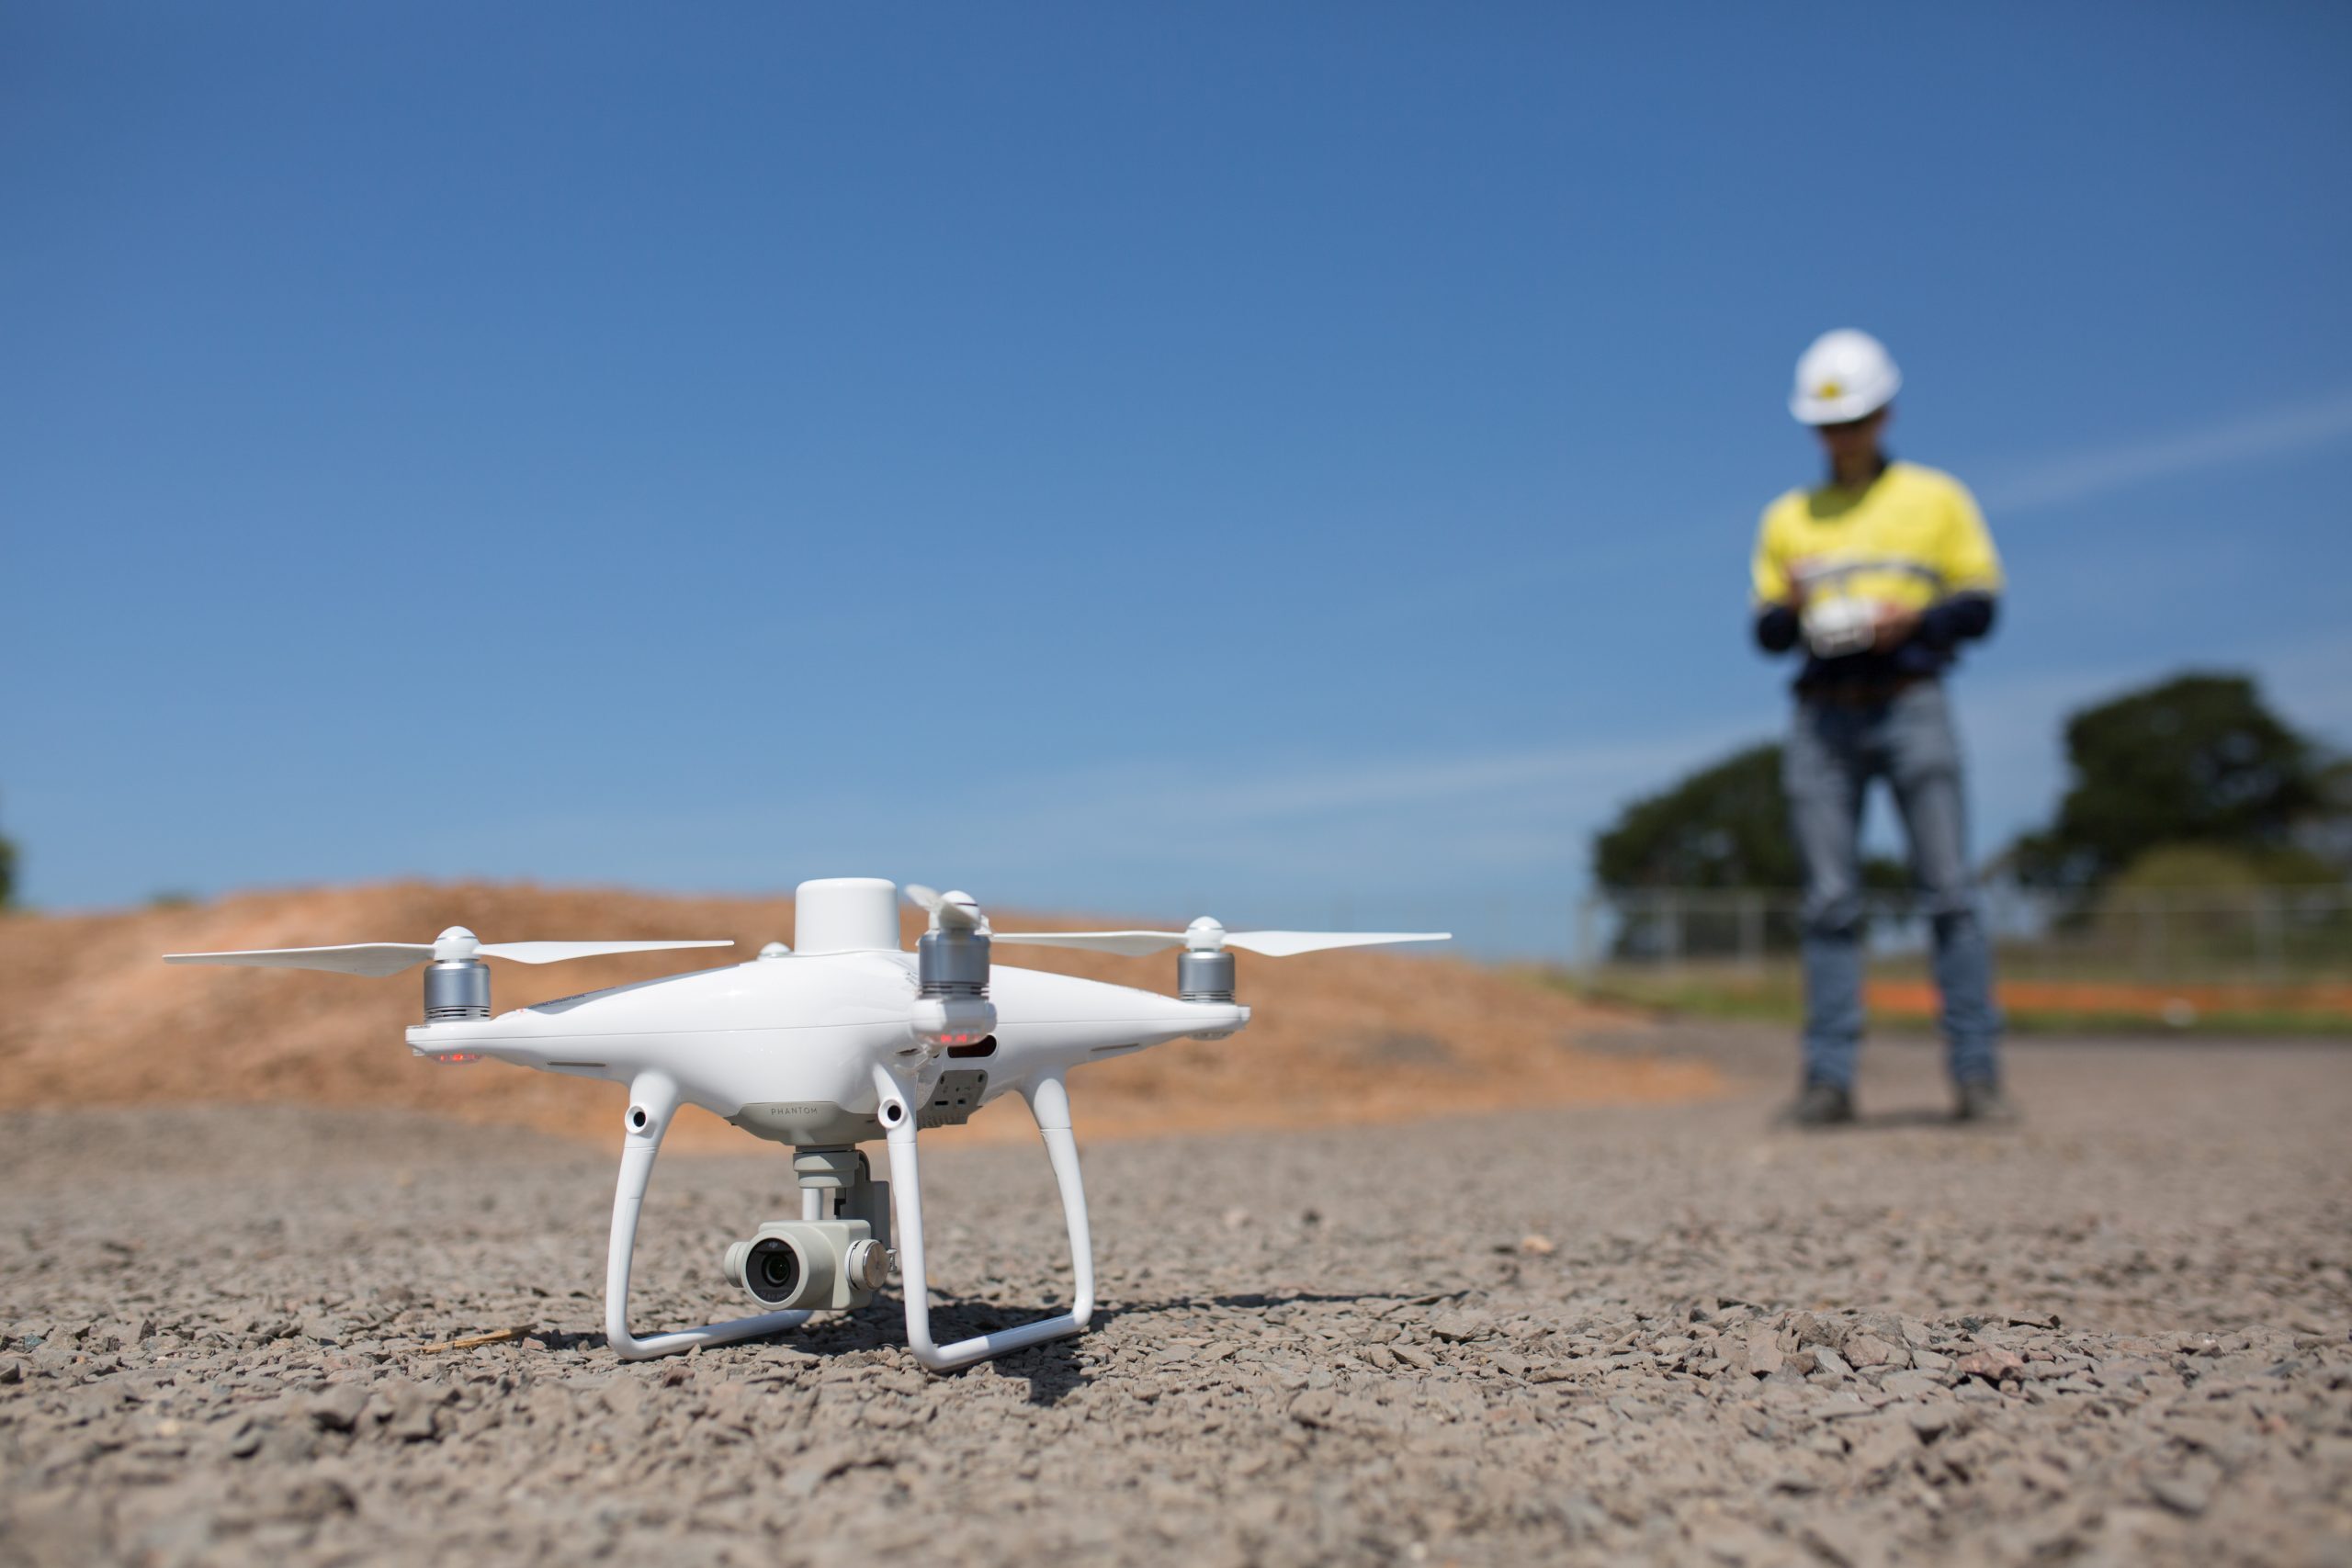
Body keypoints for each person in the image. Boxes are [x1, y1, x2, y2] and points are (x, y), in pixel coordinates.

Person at [1749, 329, 2011, 1126]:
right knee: (1828, 900)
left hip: (1913, 701)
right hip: (1823, 714)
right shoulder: (1789, 516)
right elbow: (1765, 633)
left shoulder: (1937, 499)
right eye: (1827, 424)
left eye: (1854, 419)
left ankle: (1976, 1077)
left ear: (1885, 414)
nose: (1841, 436)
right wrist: (1793, 607)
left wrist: (1918, 619)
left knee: (1949, 892)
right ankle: (1828, 1080)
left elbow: (1981, 604)